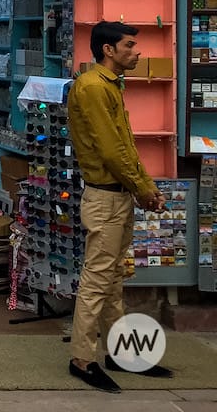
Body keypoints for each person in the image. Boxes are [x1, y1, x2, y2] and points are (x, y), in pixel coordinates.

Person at [66, 21, 171, 392]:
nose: (137, 52)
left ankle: (119, 351)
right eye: (129, 45)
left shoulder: (109, 85)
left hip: (117, 194)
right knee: (97, 280)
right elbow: (112, 150)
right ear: (108, 50)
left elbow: (125, 146)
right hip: (105, 196)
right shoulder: (93, 87)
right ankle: (81, 358)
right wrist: (143, 189)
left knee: (111, 280)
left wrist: (145, 187)